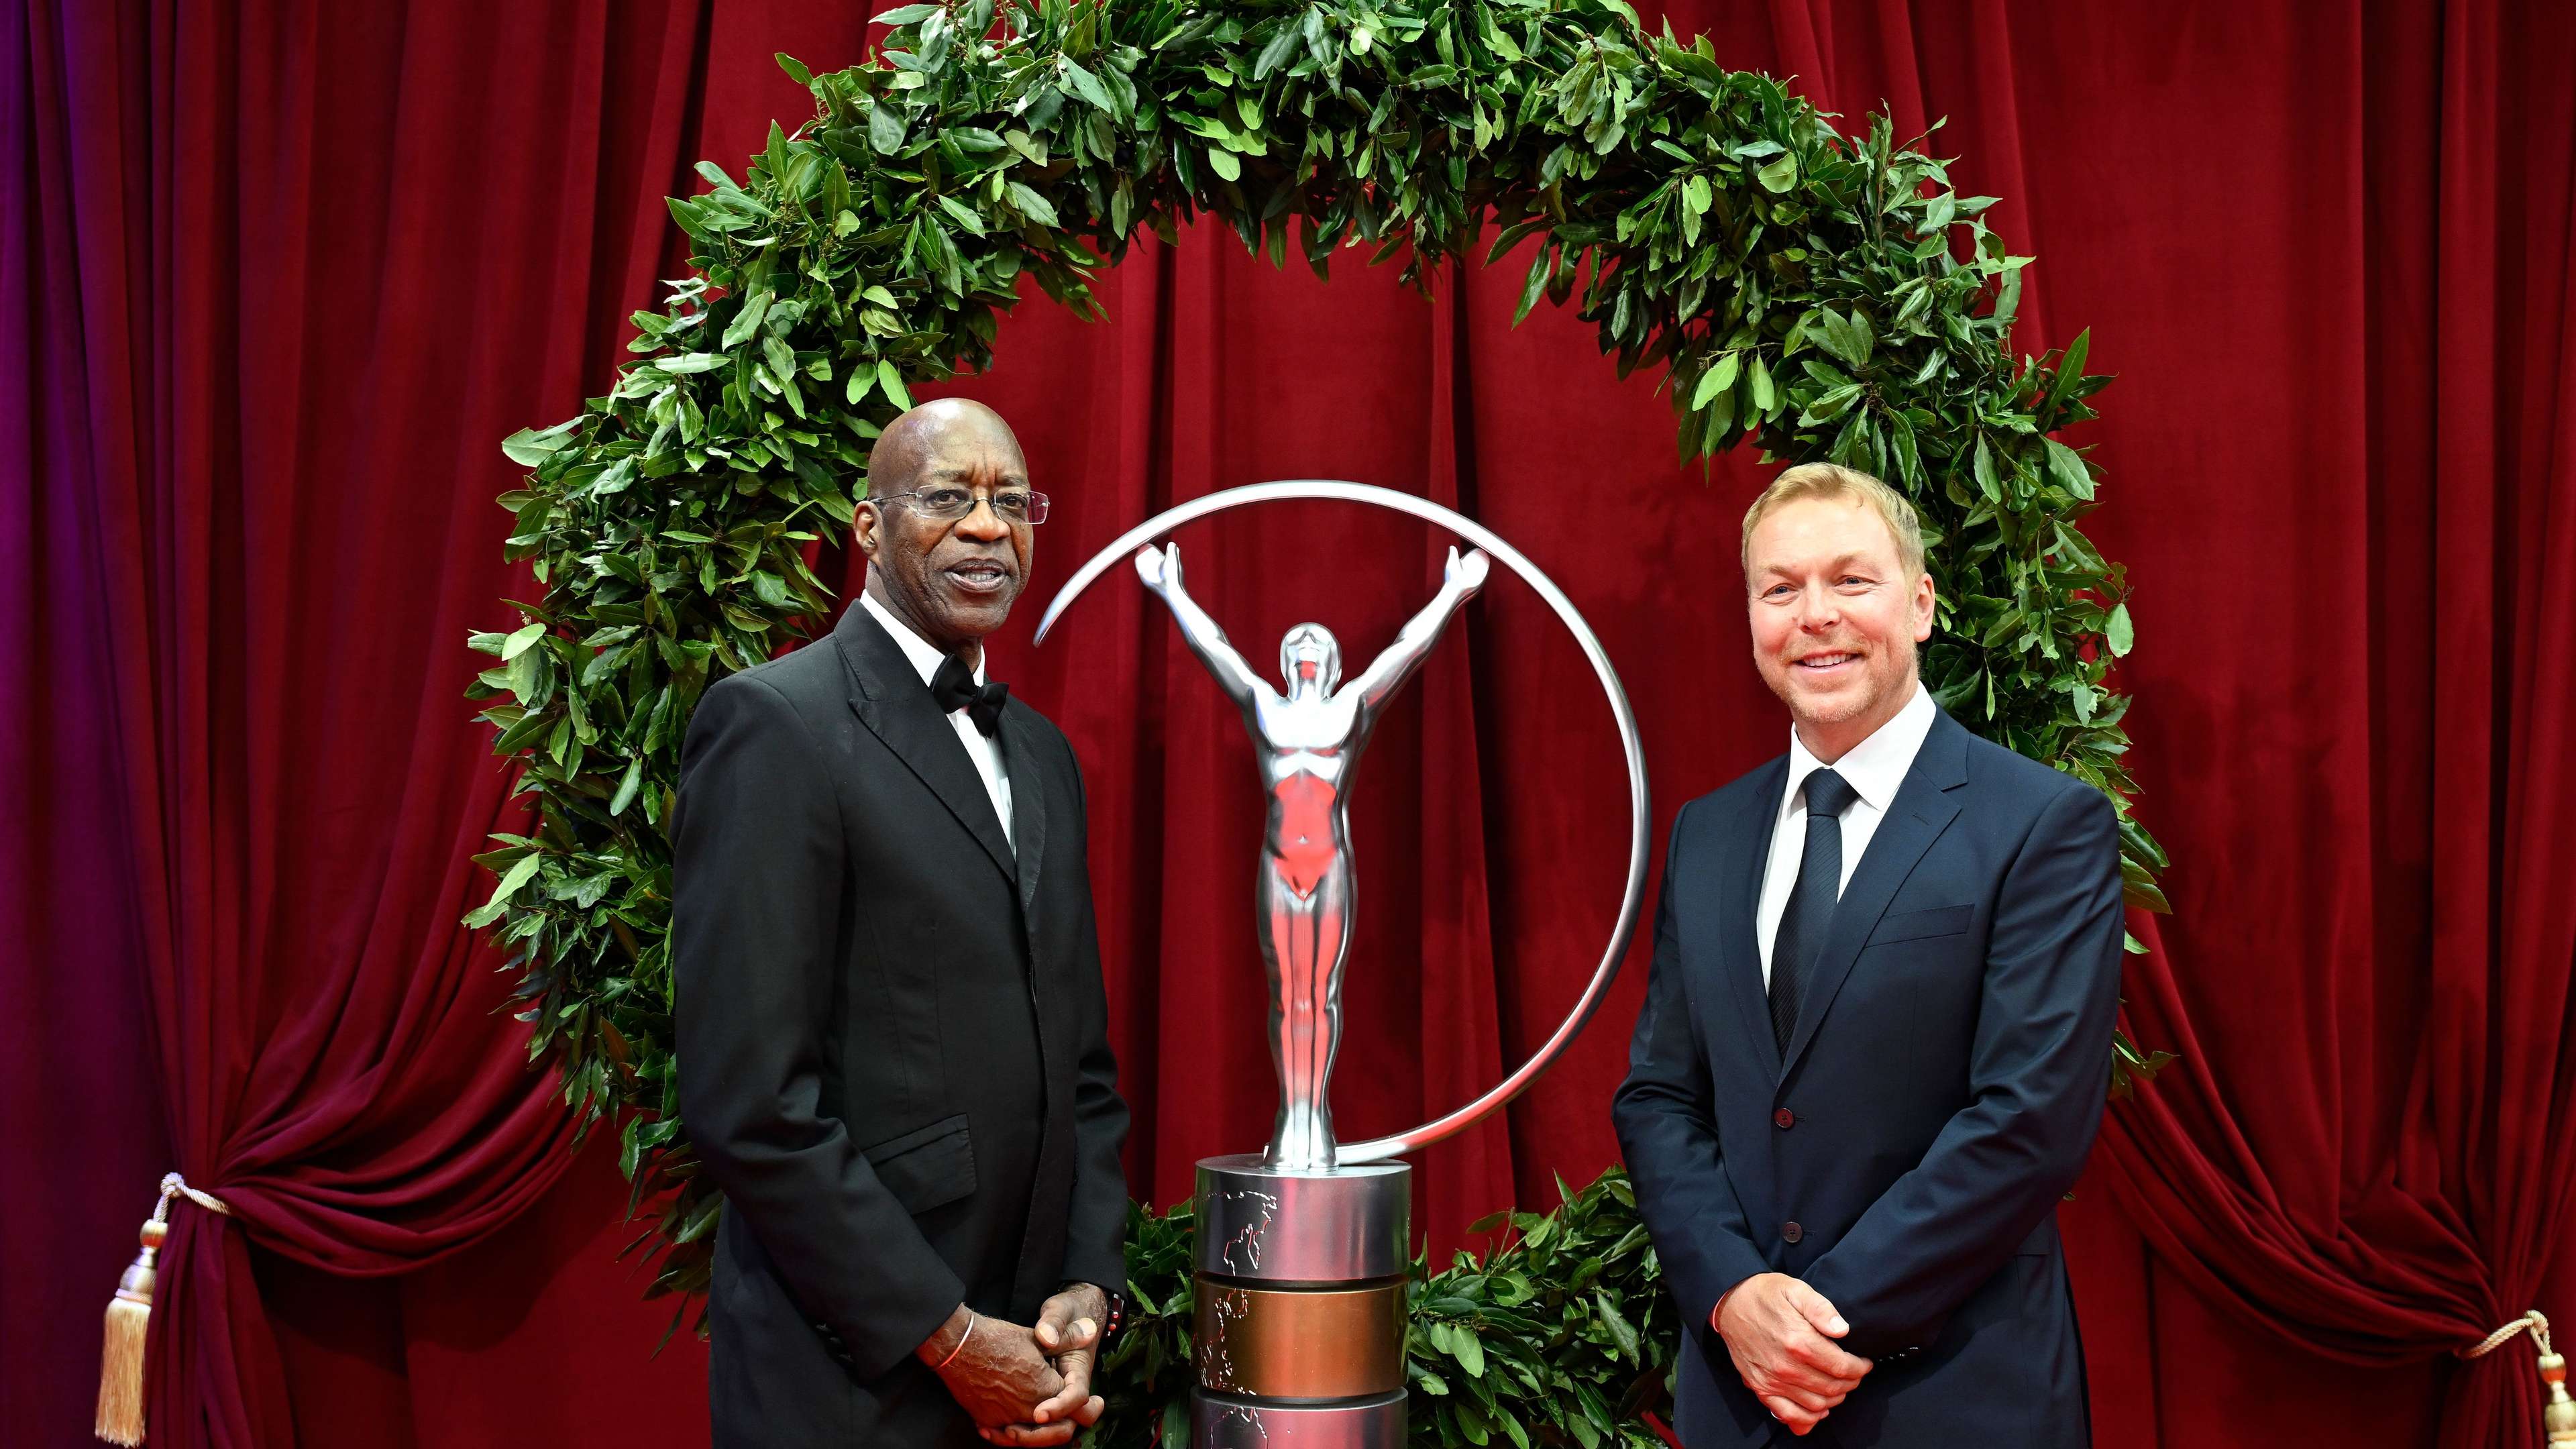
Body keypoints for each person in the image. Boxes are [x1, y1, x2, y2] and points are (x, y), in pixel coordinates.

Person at [1611, 463, 2125, 1447]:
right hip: (1741, 1401)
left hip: (1957, 1399)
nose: (1816, 616)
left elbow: (2030, 1121)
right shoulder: (1707, 834)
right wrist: (1732, 1298)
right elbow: (1660, 1096)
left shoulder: (2043, 825)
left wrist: (1807, 1328)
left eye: (1852, 581)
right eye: (1781, 587)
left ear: (1921, 604)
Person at [674, 399, 1130, 1449]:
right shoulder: (775, 725)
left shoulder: (1048, 758)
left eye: (1012, 503)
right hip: (847, 1377)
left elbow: (1084, 1068)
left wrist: (1086, 1281)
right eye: (948, 497)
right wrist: (951, 1337)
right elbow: (751, 1103)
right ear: (869, 528)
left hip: (1036, 1360)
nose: (987, 527)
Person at [1131, 541, 1488, 1169]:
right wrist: (1170, 589)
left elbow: (1405, 652)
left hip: (1328, 867)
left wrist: (1452, 593)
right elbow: (1215, 650)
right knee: (1285, 993)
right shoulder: (1263, 705)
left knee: (1318, 997)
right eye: (1296, 638)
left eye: (1318, 640)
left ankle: (1312, 1113)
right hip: (1277, 865)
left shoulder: (1351, 707)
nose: (1306, 644)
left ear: (1332, 662)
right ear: (1284, 658)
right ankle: (1290, 1113)